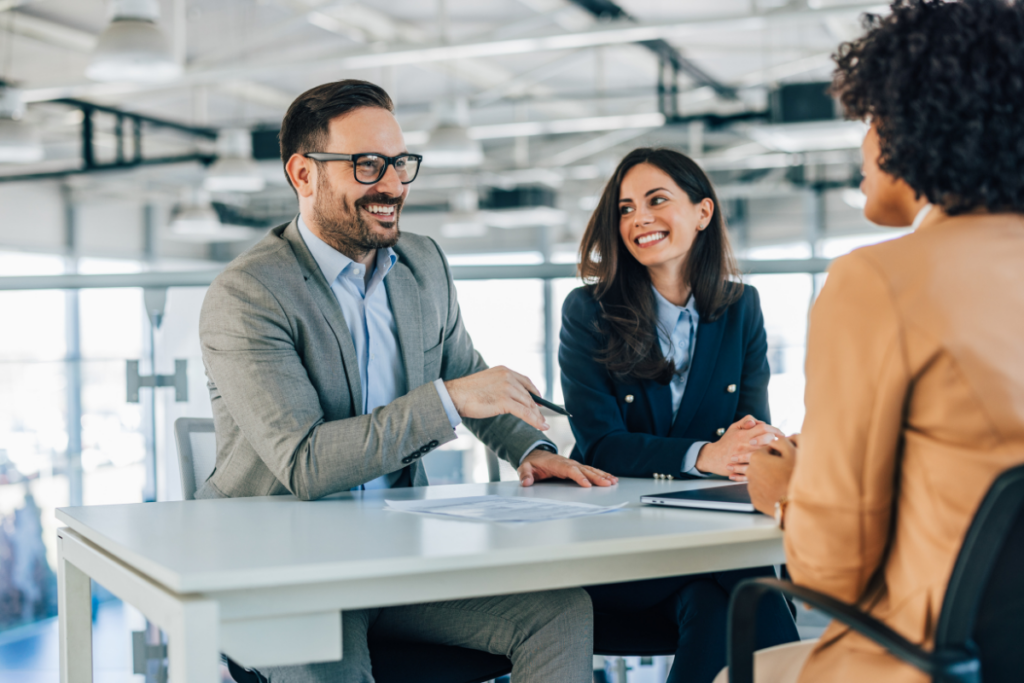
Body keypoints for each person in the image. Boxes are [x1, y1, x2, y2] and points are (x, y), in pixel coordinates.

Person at [196, 79, 617, 683]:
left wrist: (531, 449)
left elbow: (469, 380)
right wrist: (448, 401)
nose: (391, 184)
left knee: (560, 612)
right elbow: (306, 464)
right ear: (303, 173)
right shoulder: (248, 295)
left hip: (394, 552)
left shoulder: (422, 264)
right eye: (367, 165)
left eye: (399, 163)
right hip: (281, 566)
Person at [734, 1, 1024, 681]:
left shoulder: (879, 282)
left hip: (936, 660)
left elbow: (833, 570)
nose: (863, 145)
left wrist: (783, 491)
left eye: (868, 120)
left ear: (910, 125)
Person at [558, 147, 799, 683]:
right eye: (624, 208)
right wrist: (705, 456)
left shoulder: (742, 306)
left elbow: (750, 434)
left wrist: (755, 450)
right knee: (756, 590)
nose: (638, 218)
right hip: (621, 550)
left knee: (717, 606)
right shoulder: (588, 312)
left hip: (706, 542)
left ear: (703, 213)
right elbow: (600, 443)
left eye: (656, 200)